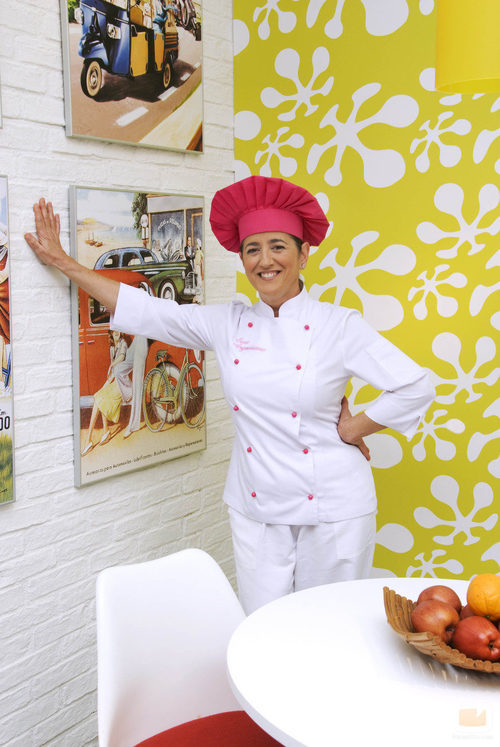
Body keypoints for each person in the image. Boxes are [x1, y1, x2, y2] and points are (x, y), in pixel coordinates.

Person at [24, 177, 434, 614]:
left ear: (303, 254)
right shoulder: (229, 323)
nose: (265, 260)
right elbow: (147, 311)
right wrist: (64, 262)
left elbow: (415, 385)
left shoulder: (338, 325)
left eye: (278, 246)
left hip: (335, 508)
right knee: (262, 627)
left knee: (331, 625)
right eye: (252, 249)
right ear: (242, 260)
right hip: (257, 505)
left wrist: (353, 429)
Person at [81, 330, 129, 456]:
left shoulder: (123, 343)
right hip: (115, 383)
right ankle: (102, 433)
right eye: (114, 331)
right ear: (111, 334)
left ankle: (90, 440)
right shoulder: (112, 348)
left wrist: (112, 364)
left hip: (123, 384)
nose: (116, 332)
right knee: (99, 396)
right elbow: (112, 375)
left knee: (100, 399)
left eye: (118, 330)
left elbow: (122, 357)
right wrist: (102, 389)